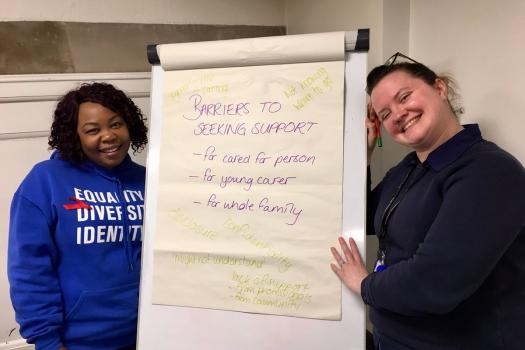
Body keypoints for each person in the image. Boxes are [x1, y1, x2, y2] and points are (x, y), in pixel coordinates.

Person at [330, 53, 525, 350]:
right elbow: (364, 215)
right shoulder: (408, 168)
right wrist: (364, 151)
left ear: (440, 88)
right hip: (393, 338)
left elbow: (433, 282)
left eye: (404, 97)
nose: (397, 114)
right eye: (384, 114)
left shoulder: (489, 171)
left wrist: (363, 284)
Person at [8, 82, 148, 350]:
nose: (108, 136)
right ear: (74, 136)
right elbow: (29, 269)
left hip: (148, 332)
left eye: (116, 124)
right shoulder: (46, 180)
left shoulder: (146, 180)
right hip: (77, 341)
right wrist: (47, 340)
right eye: (93, 130)